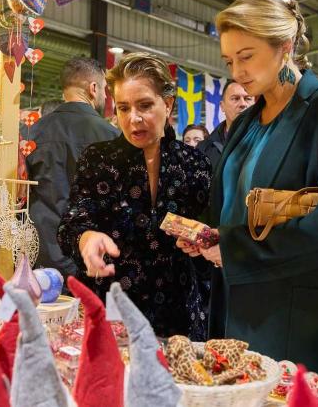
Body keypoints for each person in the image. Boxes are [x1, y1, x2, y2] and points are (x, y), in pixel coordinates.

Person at [178, 0, 318, 388]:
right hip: (238, 304)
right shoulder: (249, 120)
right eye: (229, 61)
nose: (238, 71)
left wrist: (236, 249)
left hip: (298, 314)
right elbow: (236, 206)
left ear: (284, 47)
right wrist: (211, 237)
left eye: (247, 56)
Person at [58, 52, 212, 340]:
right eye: (123, 108)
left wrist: (205, 242)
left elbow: (210, 234)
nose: (134, 119)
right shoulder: (98, 159)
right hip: (113, 311)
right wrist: (86, 238)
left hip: (179, 316)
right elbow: (70, 224)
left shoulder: (195, 165)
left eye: (144, 105)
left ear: (168, 104)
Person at [27, 57, 119, 278]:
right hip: (92, 253)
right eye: (105, 89)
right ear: (93, 88)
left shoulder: (32, 134)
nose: (105, 96)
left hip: (42, 251)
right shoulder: (112, 137)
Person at [197, 81, 254, 170]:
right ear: (222, 106)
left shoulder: (267, 141)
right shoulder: (203, 149)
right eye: (235, 98)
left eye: (248, 98)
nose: (243, 104)